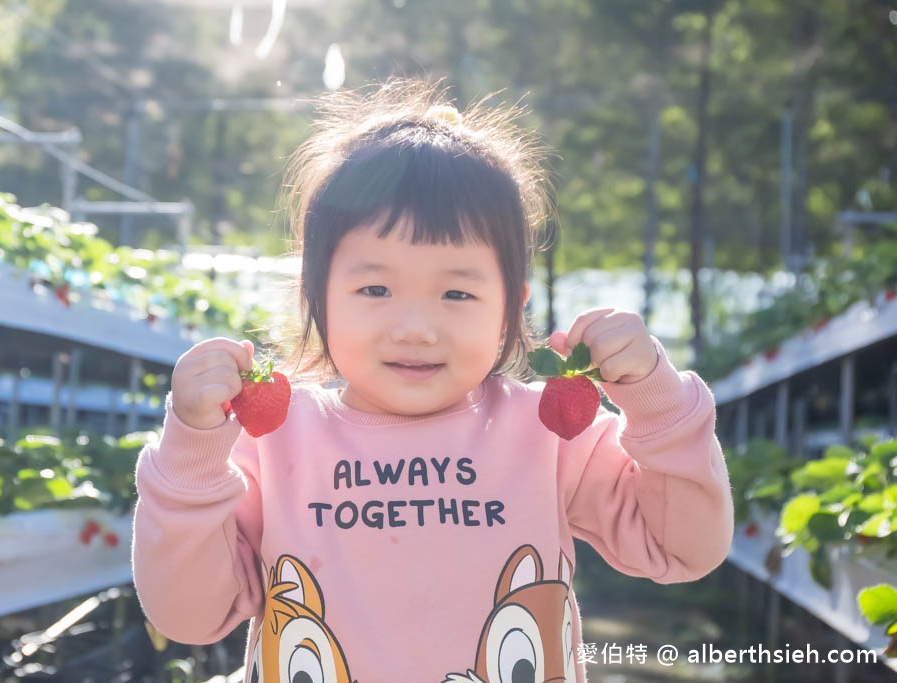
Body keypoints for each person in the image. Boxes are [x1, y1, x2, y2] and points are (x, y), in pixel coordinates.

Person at [132, 79, 734, 683]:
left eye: (457, 292)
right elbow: (191, 616)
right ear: (316, 297)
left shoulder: (548, 432)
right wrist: (190, 455)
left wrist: (656, 399)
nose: (416, 328)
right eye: (375, 289)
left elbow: (682, 547)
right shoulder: (274, 439)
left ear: (510, 306)